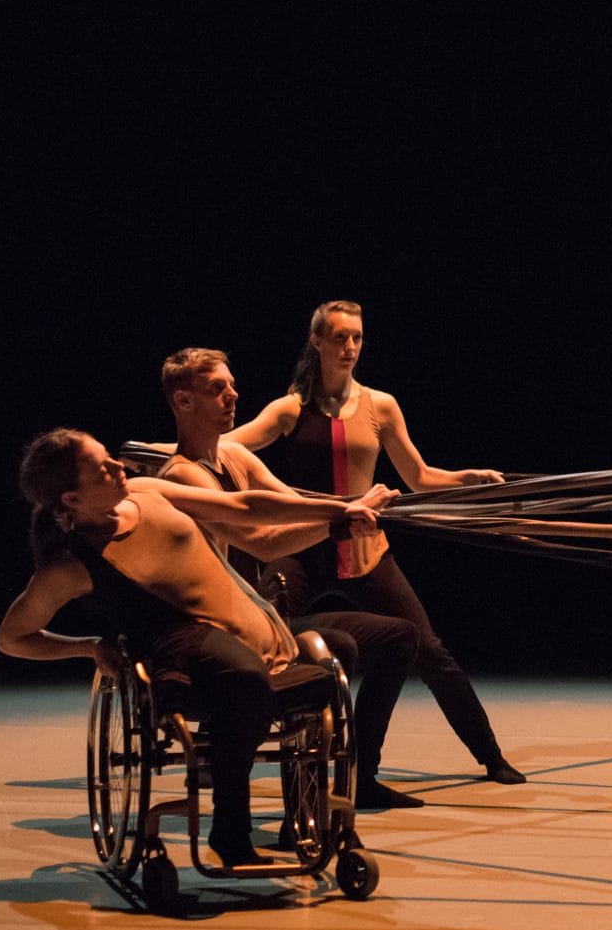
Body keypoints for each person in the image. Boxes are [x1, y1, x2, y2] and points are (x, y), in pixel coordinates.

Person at [0, 429, 388, 866]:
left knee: (336, 651)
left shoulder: (146, 492)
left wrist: (340, 510)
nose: (118, 467)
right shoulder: (71, 567)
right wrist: (89, 648)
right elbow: (13, 637)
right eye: (102, 470)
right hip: (183, 653)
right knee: (245, 678)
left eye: (109, 457)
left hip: (249, 624)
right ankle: (230, 834)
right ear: (72, 499)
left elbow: (244, 507)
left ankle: (302, 815)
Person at [229, 301, 525, 787]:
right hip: (303, 549)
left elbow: (419, 476)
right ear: (317, 342)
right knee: (266, 643)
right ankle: (238, 761)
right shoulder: (290, 408)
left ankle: (488, 757)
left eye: (357, 338)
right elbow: (226, 447)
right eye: (340, 338)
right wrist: (164, 457)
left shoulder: (380, 406)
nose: (350, 347)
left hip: (364, 550)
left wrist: (468, 478)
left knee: (428, 649)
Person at [154, 347, 429, 811]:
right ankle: (303, 809)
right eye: (217, 388)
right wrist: (342, 521)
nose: (232, 395)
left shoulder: (235, 456)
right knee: (334, 648)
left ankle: (359, 776)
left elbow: (294, 505)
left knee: (400, 636)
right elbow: (261, 540)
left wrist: (355, 505)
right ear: (183, 401)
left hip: (257, 618)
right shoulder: (183, 478)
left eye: (231, 384)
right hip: (222, 628)